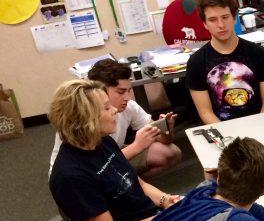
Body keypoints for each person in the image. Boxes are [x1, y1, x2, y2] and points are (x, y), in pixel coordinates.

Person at [48, 80, 180, 221]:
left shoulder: (102, 142)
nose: (115, 111)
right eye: (106, 108)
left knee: (213, 200)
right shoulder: (71, 177)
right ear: (85, 118)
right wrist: (165, 217)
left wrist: (165, 200)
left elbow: (136, 182)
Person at [49, 59, 181, 179]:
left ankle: (131, 188)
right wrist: (137, 146)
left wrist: (167, 129)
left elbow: (165, 140)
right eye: (120, 92)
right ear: (99, 90)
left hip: (111, 157)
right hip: (83, 175)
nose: (127, 97)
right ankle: (124, 189)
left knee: (171, 152)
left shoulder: (129, 107)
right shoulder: (82, 118)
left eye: (129, 90)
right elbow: (96, 166)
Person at [186, 0, 264, 124]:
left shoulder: (258, 53)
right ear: (204, 24)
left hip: (260, 126)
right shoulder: (196, 62)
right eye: (212, 20)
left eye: (225, 17)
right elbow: (206, 113)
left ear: (234, 18)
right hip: (223, 134)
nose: (221, 25)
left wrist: (261, 129)